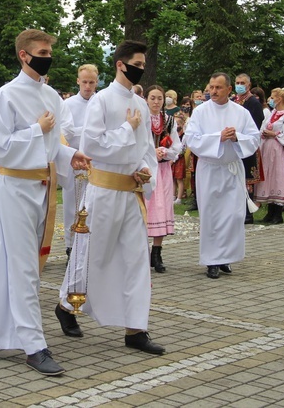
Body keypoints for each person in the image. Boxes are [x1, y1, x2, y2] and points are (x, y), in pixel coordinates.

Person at [0, 29, 89, 376]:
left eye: (50, 50)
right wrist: (36, 129)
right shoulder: (6, 96)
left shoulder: (52, 95)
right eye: (42, 51)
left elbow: (52, 147)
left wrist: (70, 154)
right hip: (14, 187)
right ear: (24, 55)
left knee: (11, 262)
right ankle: (34, 346)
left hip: (43, 187)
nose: (48, 55)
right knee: (22, 266)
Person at [55, 40, 166, 357]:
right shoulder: (101, 100)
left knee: (135, 259)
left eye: (143, 65)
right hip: (103, 191)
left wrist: (146, 171)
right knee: (93, 256)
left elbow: (146, 147)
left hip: (131, 193)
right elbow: (93, 145)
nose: (141, 69)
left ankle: (136, 329)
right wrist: (127, 130)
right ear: (121, 64)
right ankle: (66, 305)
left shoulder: (142, 104)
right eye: (137, 64)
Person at [184, 73, 260, 279]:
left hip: (232, 169)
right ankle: (211, 261)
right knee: (212, 215)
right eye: (211, 87)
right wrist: (218, 137)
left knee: (233, 215)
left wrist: (237, 137)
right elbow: (191, 138)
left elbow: (254, 139)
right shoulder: (200, 112)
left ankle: (226, 257)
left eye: (218, 88)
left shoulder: (241, 112)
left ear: (229, 90)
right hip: (210, 168)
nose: (214, 91)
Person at [60, 64, 99, 258]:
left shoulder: (100, 103)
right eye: (84, 82)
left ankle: (88, 247)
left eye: (91, 82)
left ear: (97, 82)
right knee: (71, 205)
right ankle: (70, 246)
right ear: (78, 81)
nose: (88, 86)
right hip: (74, 162)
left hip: (95, 163)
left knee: (92, 205)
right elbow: (63, 133)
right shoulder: (68, 105)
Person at [144, 85, 182, 273]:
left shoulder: (169, 121)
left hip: (163, 170)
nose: (157, 102)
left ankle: (157, 253)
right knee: (145, 208)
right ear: (146, 99)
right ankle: (142, 253)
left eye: (160, 98)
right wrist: (152, 152)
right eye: (153, 98)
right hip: (145, 170)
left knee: (162, 208)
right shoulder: (141, 119)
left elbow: (177, 146)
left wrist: (165, 151)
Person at [254, 88, 284, 224]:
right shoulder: (271, 114)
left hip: (278, 149)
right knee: (268, 177)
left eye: (272, 97)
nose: (270, 100)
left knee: (277, 177)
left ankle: (278, 213)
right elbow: (262, 127)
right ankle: (270, 211)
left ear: (279, 99)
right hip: (267, 148)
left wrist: (274, 134)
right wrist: (263, 133)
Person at [233, 74, 265, 224]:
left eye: (242, 83)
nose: (239, 85)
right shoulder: (234, 101)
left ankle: (248, 212)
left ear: (249, 85)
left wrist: (242, 136)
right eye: (237, 82)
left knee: (248, 179)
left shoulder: (253, 102)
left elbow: (256, 125)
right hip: (234, 146)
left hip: (247, 145)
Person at [172, 114, 187, 204]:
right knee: (173, 178)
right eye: (175, 124)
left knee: (179, 179)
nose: (177, 126)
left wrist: (175, 157)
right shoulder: (174, 134)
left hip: (179, 159)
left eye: (178, 124)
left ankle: (179, 198)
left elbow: (183, 149)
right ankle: (173, 195)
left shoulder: (184, 136)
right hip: (173, 158)